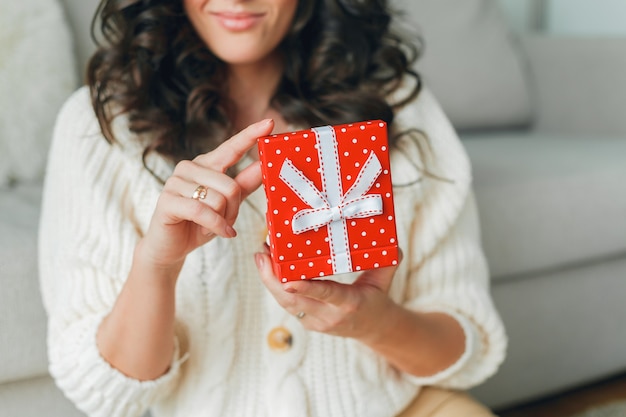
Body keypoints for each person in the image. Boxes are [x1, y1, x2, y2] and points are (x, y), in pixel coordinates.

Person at [38, 0, 507, 416]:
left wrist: (374, 323)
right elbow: (104, 390)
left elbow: (463, 353)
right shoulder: (100, 126)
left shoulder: (398, 106)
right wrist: (157, 264)